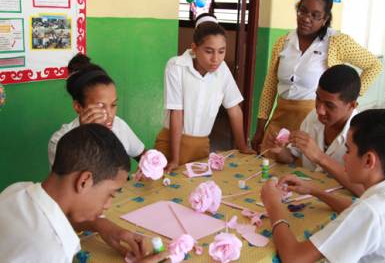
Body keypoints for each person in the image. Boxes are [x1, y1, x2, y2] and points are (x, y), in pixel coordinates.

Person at [261, 109, 385, 262]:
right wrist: (314, 190)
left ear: (369, 160)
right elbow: (356, 209)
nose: (344, 158)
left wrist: (273, 204)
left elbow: (294, 258)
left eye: (348, 150)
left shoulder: (370, 212)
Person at [0, 124, 168, 262]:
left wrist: (99, 225)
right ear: (84, 181)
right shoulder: (51, 250)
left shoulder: (18, 190)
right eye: (110, 194)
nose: (108, 205)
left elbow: (52, 218)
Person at [251, 0, 382, 154]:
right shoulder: (283, 42)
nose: (306, 19)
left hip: (314, 124)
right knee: (269, 170)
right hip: (280, 121)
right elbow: (269, 86)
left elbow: (374, 65)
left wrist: (348, 97)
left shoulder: (337, 42)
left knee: (303, 174)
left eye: (315, 15)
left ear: (325, 19)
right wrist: (260, 127)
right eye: (302, 11)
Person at [154, 13, 254, 172]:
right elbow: (177, 113)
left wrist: (242, 146)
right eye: (209, 51)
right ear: (194, 48)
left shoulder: (222, 71)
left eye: (221, 51)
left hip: (201, 146)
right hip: (171, 143)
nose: (216, 59)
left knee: (196, 193)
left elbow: (234, 109)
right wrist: (174, 159)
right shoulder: (176, 66)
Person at [268, 64, 364, 195]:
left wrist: (319, 157)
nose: (320, 110)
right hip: (307, 196)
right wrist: (280, 151)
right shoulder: (313, 117)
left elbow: (363, 190)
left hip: (339, 204)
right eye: (318, 98)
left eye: (330, 105)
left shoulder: (363, 134)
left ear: (352, 105)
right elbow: (291, 156)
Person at [48, 63, 145, 166]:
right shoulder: (60, 141)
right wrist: (86, 135)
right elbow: (73, 179)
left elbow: (143, 155)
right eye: (100, 106)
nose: (110, 115)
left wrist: (151, 164)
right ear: (78, 107)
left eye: (113, 104)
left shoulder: (119, 125)